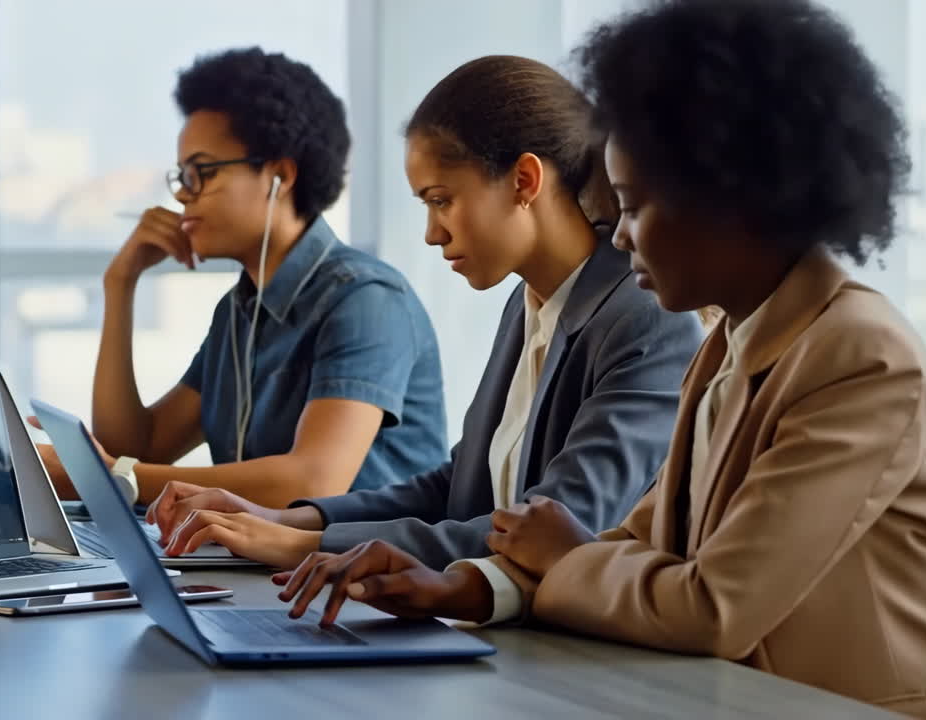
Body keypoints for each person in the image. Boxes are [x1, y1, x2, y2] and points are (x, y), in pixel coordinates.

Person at [271, 2, 926, 718]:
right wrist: (463, 588)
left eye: (631, 205)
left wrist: (562, 558)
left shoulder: (860, 357)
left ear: (730, 200)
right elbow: (642, 544)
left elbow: (713, 606)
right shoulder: (732, 338)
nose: (619, 237)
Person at [146, 55, 703, 573]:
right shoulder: (529, 303)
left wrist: (304, 545)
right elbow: (457, 486)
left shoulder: (644, 319)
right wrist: (288, 518)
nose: (433, 234)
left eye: (441, 200)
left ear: (524, 181)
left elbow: (563, 526)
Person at [36, 48, 448, 508]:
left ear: (280, 175)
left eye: (201, 173)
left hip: (364, 574)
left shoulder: (365, 300)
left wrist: (111, 477)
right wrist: (120, 284)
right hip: (267, 571)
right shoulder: (240, 310)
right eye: (181, 176)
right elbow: (139, 448)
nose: (182, 196)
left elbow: (313, 481)